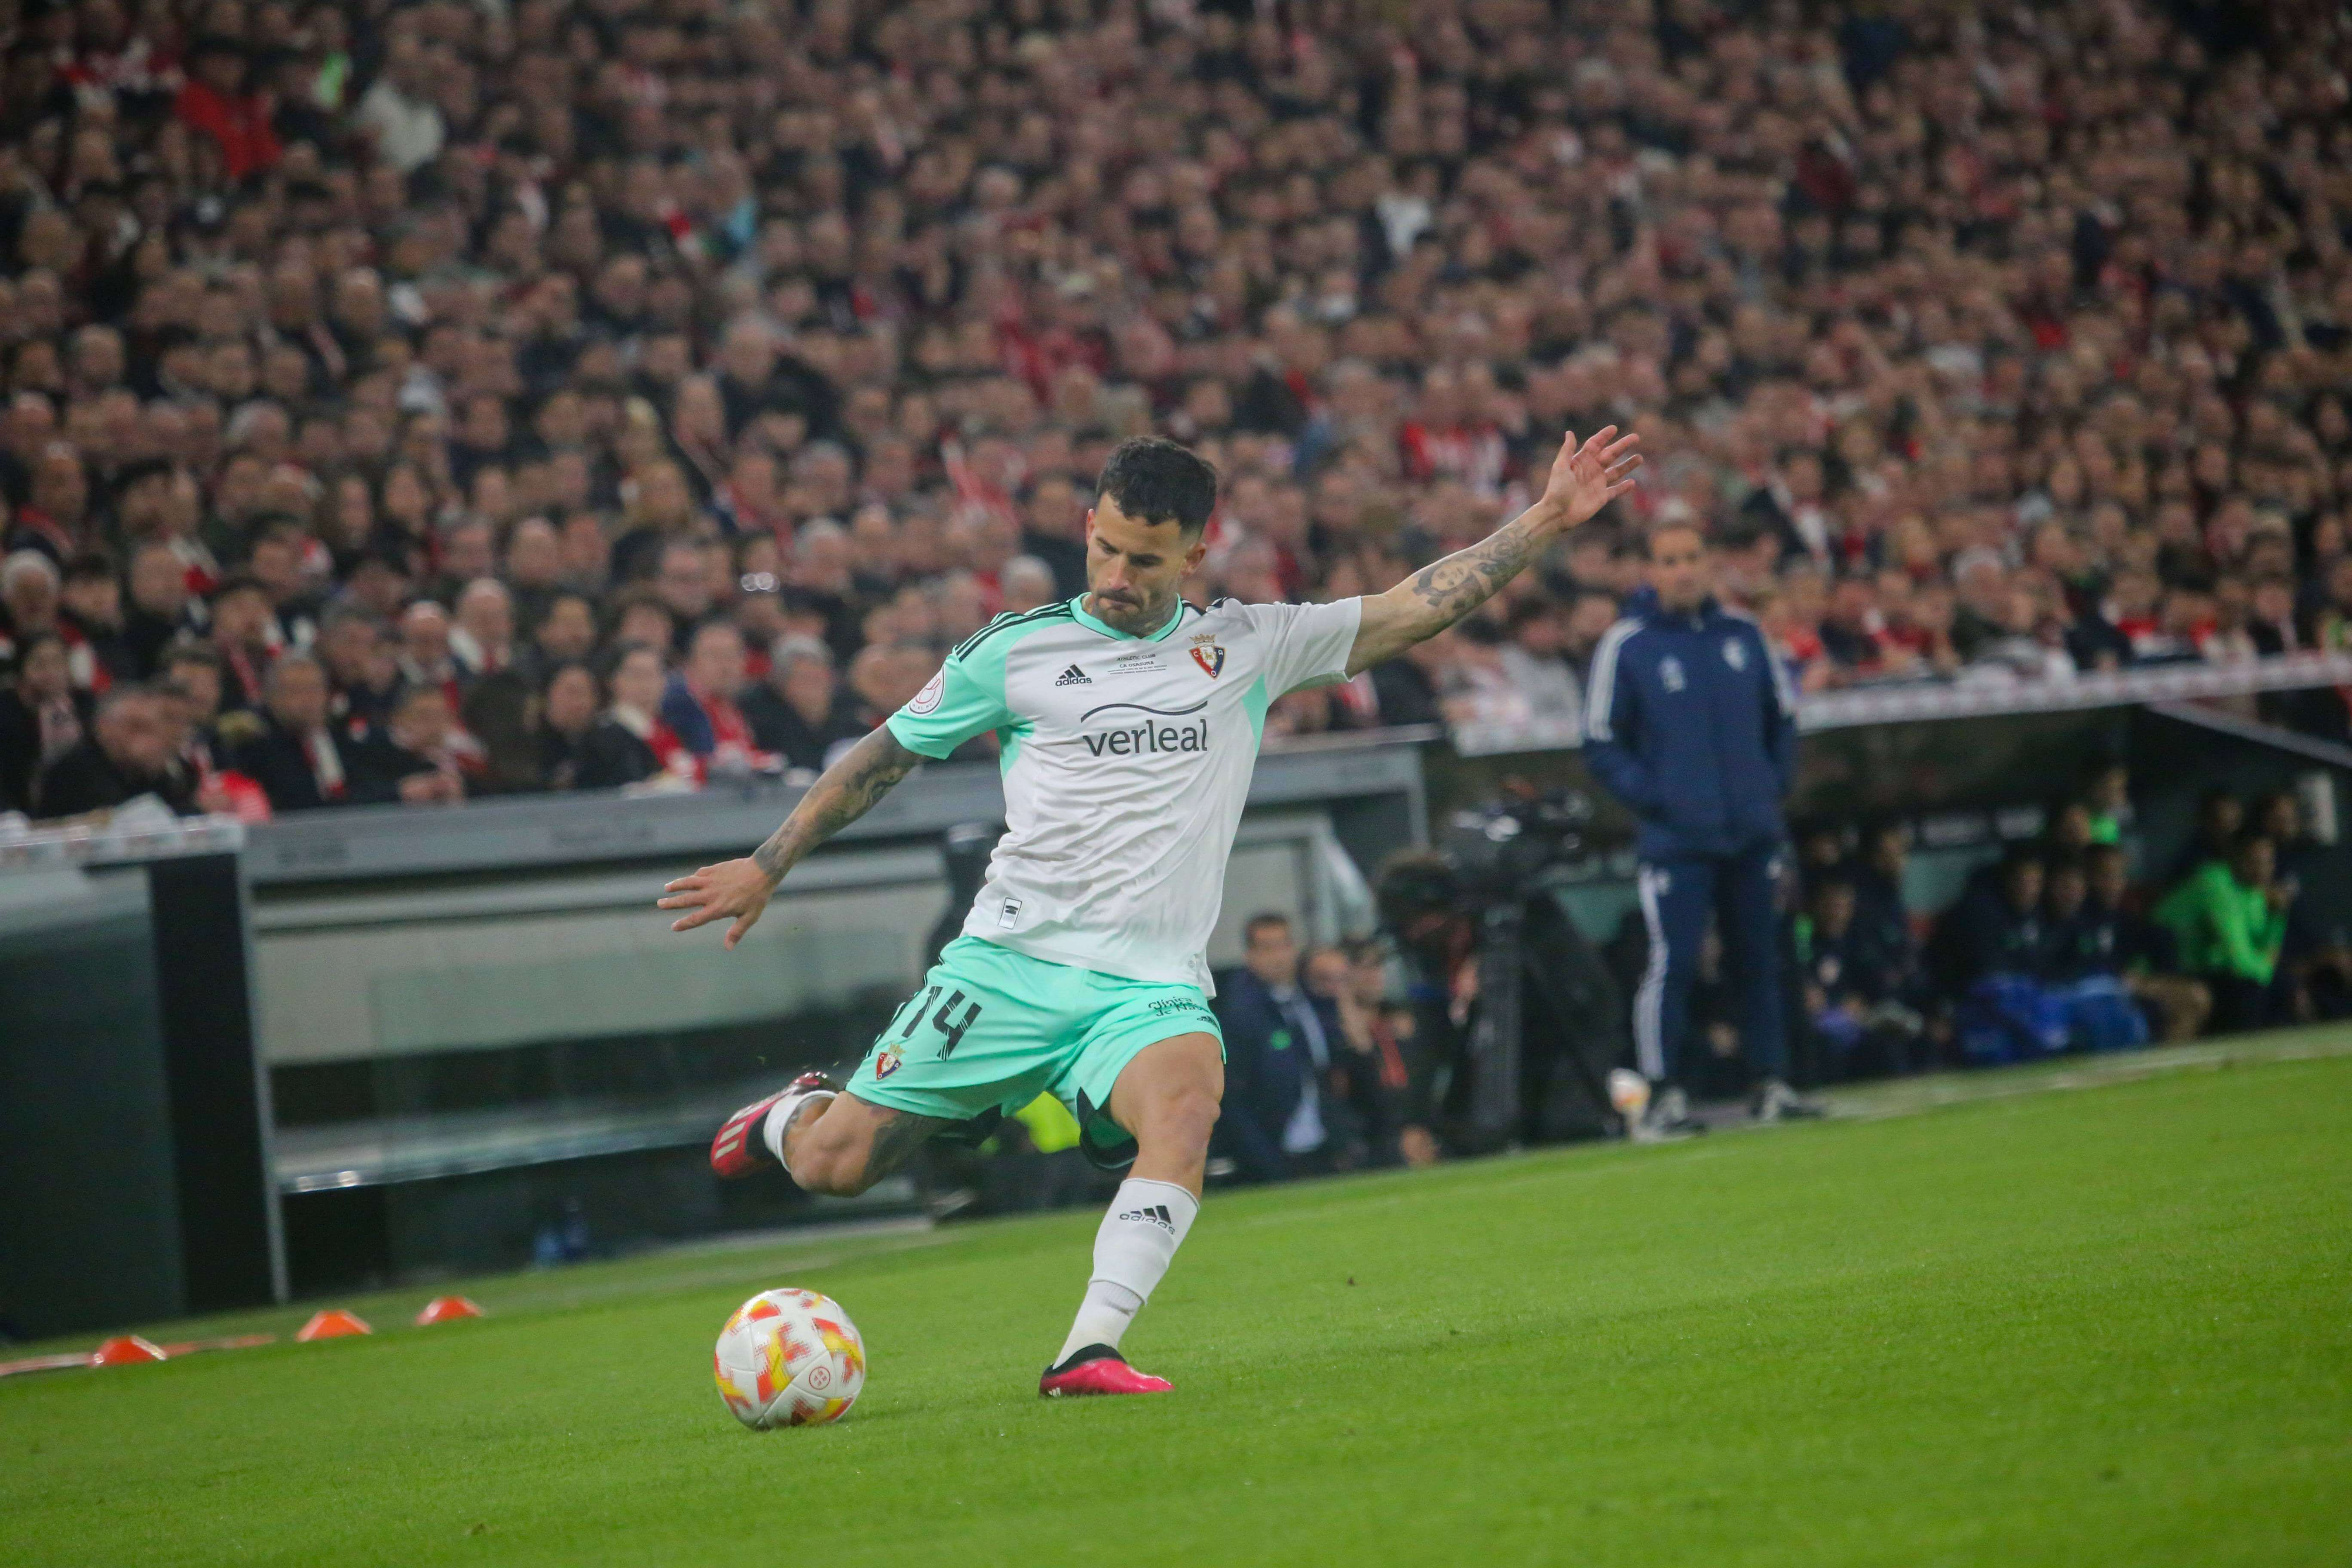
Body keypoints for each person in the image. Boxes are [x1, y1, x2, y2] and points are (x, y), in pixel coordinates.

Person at [664, 427, 1639, 1396]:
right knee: (837, 1166)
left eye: (1144, 557)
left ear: (1192, 553)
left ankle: (1086, 1350)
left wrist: (1549, 515)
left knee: (1185, 1107)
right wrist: (767, 862)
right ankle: (792, 1113)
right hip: (1007, 961)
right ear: (1087, 526)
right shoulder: (1016, 652)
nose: (1118, 573)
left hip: (1149, 982)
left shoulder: (1248, 646)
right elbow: (885, 754)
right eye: (1106, 548)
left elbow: (1411, 609)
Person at [1581, 522, 1814, 1133]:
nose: (1683, 570)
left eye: (1692, 557)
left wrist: (1770, 788)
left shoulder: (1745, 635)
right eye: (1669, 560)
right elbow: (1601, 742)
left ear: (1709, 563)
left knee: (1760, 962)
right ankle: (1663, 1094)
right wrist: (1659, 801)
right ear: (1651, 572)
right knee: (1672, 964)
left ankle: (1771, 1082)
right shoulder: (1627, 645)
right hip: (1677, 841)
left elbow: (1783, 719)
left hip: (1751, 832)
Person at [1213, 913, 1343, 1183]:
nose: (1279, 957)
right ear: (1250, 955)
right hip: (1276, 1153)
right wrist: (1265, 1161)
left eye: (1284, 945)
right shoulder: (1241, 1014)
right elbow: (1234, 1097)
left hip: (1325, 1146)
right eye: (1267, 948)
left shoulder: (1311, 999)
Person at [2156, 833, 2293, 1034]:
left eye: (2267, 863)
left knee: (2283, 986)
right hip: (2165, 964)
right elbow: (2239, 960)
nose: (2261, 871)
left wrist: (2277, 918)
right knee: (2250, 990)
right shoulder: (2216, 883)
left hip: (2209, 968)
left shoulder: (2256, 894)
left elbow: (2266, 949)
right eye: (2252, 862)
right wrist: (2266, 974)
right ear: (2234, 859)